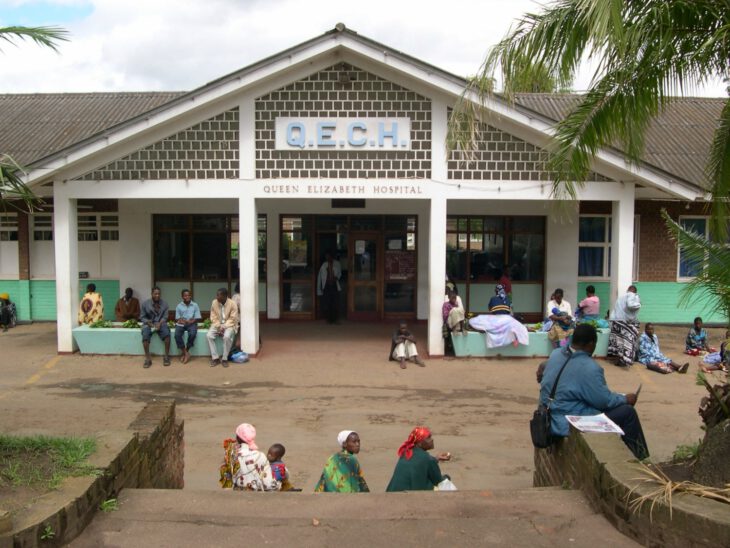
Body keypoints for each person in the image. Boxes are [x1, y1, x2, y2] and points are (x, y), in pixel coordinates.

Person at [539, 324, 649, 460]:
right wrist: (626, 399)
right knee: (627, 413)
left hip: (548, 415)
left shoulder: (556, 354)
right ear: (591, 344)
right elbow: (604, 402)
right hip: (565, 423)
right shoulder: (590, 367)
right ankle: (642, 460)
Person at [386, 426, 451, 492]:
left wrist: (436, 459)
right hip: (411, 496)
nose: (432, 439)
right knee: (445, 484)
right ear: (419, 443)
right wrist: (447, 477)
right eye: (428, 438)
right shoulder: (427, 458)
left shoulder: (406, 452)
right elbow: (438, 481)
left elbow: (418, 461)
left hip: (392, 492)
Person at [219, 423, 279, 491]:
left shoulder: (229, 455)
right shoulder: (259, 456)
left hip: (235, 495)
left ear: (237, 438)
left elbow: (226, 482)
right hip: (257, 495)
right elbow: (268, 484)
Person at [608, 285, 642, 367]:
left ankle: (619, 359)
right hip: (624, 322)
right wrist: (639, 304)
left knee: (619, 342)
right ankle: (626, 360)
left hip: (616, 321)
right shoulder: (632, 295)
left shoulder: (621, 297)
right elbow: (630, 305)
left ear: (628, 290)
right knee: (627, 342)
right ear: (634, 291)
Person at [139, 286, 171, 368]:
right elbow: (142, 317)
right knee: (145, 336)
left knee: (167, 335)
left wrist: (160, 323)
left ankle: (166, 357)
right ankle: (148, 359)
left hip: (161, 323)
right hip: (149, 323)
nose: (157, 295)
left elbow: (165, 317)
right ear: (152, 294)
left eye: (159, 294)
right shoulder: (145, 304)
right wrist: (148, 322)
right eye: (155, 294)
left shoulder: (165, 303)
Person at [207, 288, 239, 368]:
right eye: (217, 295)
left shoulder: (232, 304)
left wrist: (224, 326)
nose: (217, 297)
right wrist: (219, 325)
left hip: (229, 325)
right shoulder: (214, 302)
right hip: (217, 324)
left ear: (225, 296)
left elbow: (233, 318)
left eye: (219, 295)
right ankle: (215, 358)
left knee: (227, 337)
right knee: (209, 336)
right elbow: (213, 316)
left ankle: (225, 359)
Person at [174, 289, 201, 364]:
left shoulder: (195, 305)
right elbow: (177, 318)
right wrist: (181, 320)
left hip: (191, 324)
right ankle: (186, 353)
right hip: (181, 324)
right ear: (182, 297)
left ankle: (185, 352)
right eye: (185, 295)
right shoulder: (179, 306)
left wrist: (192, 321)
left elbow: (197, 317)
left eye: (189, 295)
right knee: (177, 335)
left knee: (192, 334)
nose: (187, 297)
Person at [317, 251, 341, 324]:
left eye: (328, 256)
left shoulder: (337, 263)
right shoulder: (324, 265)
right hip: (326, 285)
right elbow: (320, 277)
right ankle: (329, 319)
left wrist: (336, 277)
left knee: (335, 302)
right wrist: (319, 287)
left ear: (331, 256)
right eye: (326, 256)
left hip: (334, 285)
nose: (327, 258)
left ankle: (335, 319)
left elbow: (339, 273)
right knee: (327, 302)